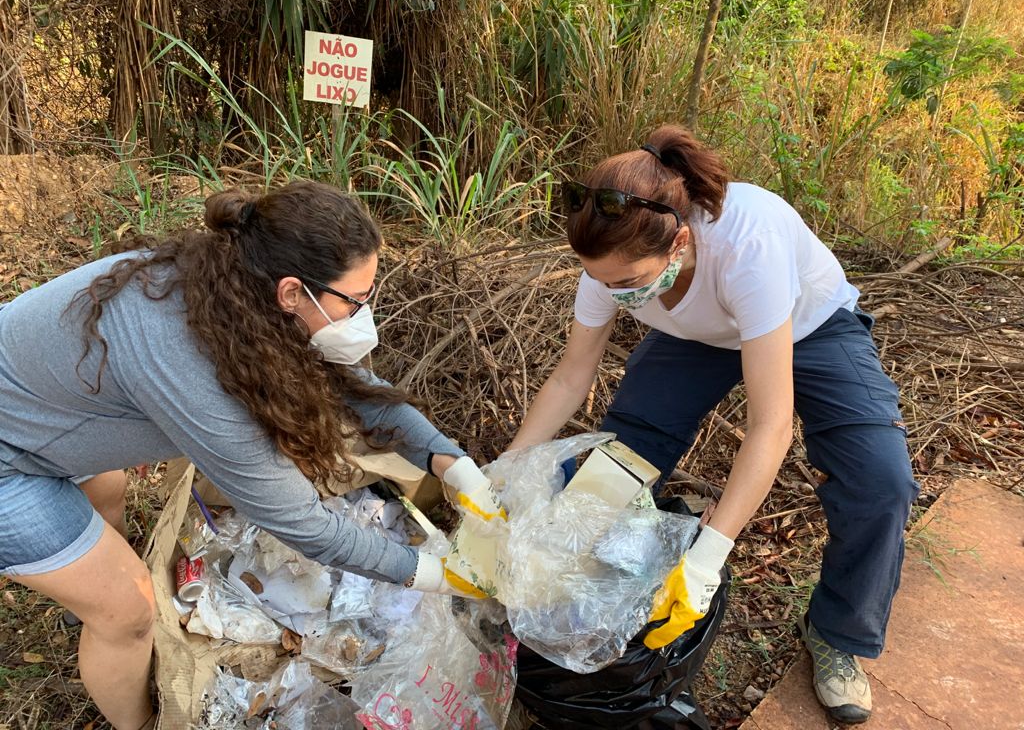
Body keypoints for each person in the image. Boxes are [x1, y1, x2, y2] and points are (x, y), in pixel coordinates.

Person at [0, 181, 502, 730]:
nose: (364, 314)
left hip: (41, 408)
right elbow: (299, 521)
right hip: (8, 458)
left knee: (107, 494)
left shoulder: (231, 291)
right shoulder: (187, 363)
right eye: (356, 301)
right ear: (293, 293)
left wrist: (452, 463)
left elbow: (355, 388)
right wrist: (430, 571)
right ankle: (138, 716)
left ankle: (92, 609)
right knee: (128, 610)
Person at [509, 125, 918, 725]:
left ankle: (839, 635)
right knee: (618, 462)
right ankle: (570, 604)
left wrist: (708, 555)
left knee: (880, 483)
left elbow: (770, 425)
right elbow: (572, 378)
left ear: (679, 242)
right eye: (598, 279)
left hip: (808, 326)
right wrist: (508, 466)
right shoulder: (609, 266)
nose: (610, 293)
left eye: (625, 284)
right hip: (697, 336)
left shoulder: (748, 245)